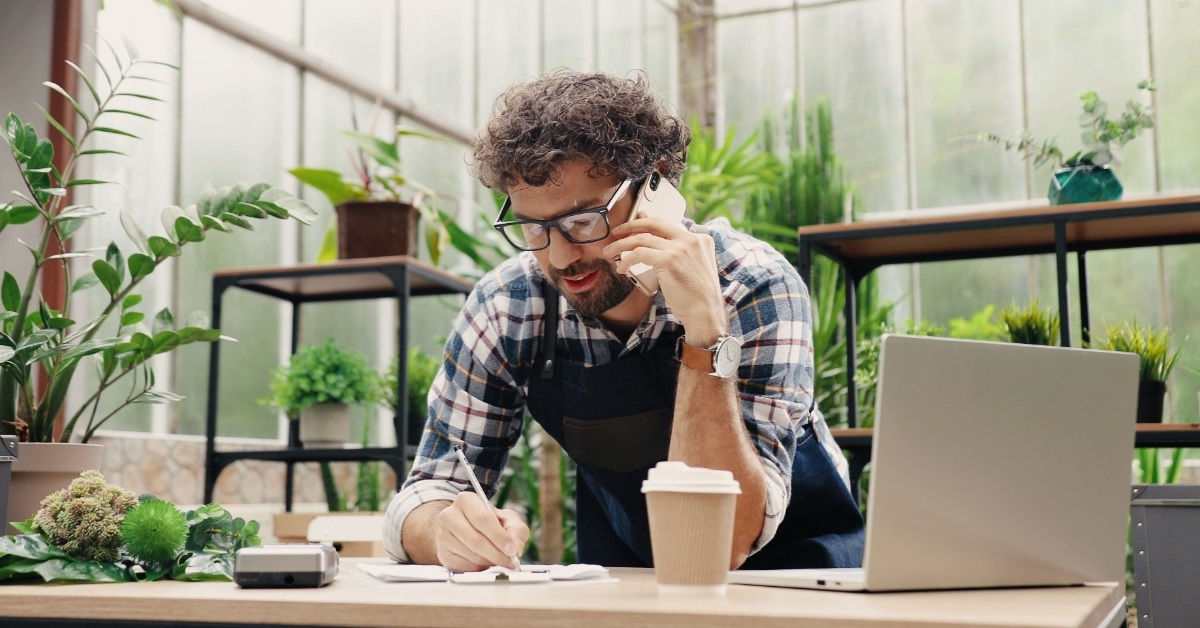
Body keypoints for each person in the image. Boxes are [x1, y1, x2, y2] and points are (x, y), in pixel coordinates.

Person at [382, 70, 864, 571]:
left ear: (654, 182)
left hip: (800, 584)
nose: (562, 256)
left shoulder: (753, 285)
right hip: (632, 582)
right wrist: (446, 532)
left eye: (584, 220)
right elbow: (429, 489)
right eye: (533, 226)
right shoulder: (510, 305)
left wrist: (705, 333)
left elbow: (721, 545)